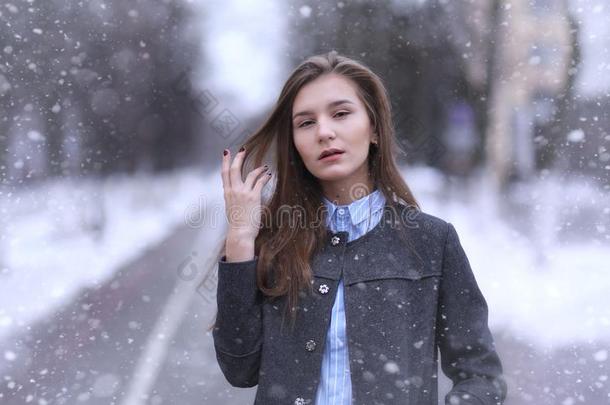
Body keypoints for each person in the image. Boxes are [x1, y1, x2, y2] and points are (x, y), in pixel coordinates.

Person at [211, 50, 507, 405]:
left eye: (341, 114)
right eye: (306, 123)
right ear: (295, 145)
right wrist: (241, 239)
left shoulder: (431, 241)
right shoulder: (276, 241)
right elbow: (239, 368)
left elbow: (480, 375)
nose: (324, 131)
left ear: (375, 131)